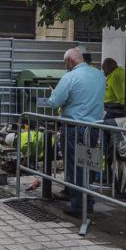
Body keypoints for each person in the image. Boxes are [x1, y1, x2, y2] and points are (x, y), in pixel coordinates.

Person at [48, 48, 105, 217]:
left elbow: (54, 102)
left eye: (66, 63)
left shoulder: (70, 77)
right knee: (89, 165)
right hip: (94, 128)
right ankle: (88, 201)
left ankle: (80, 206)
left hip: (74, 128)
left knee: (75, 167)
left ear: (70, 62)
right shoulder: (99, 75)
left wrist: (53, 94)